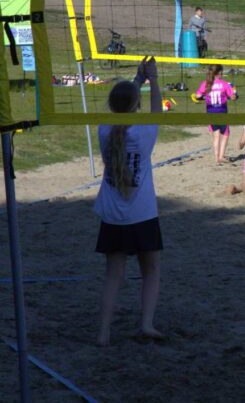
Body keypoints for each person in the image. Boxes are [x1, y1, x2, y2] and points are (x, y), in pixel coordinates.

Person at [96, 56, 163, 346]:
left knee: (114, 276)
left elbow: (125, 107)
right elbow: (156, 108)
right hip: (142, 214)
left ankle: (103, 332)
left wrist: (137, 80)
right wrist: (153, 79)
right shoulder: (145, 131)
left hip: (112, 215)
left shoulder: (103, 130)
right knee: (150, 270)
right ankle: (146, 324)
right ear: (136, 105)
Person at [195, 64, 236, 166]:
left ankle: (216, 158)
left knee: (216, 135)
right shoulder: (224, 84)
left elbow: (197, 96)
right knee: (226, 133)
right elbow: (233, 97)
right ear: (220, 73)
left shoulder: (206, 84)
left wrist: (203, 97)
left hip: (211, 113)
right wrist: (235, 94)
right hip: (222, 113)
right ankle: (221, 156)